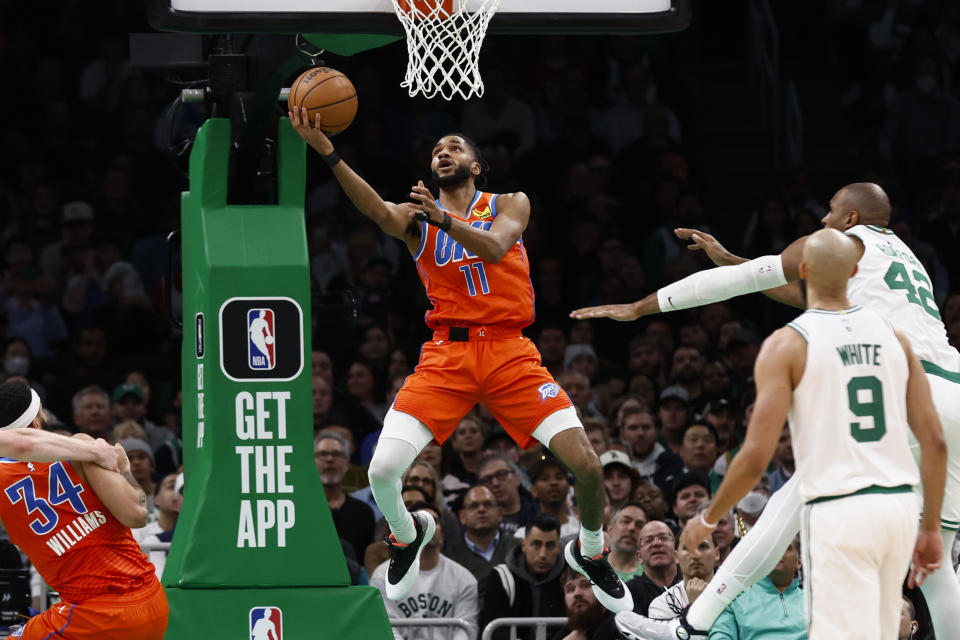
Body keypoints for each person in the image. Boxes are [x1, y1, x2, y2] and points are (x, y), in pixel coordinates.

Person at [573, 183, 960, 638]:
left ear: (851, 220)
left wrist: (641, 307)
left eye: (831, 211)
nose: (822, 221)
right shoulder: (904, 258)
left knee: (790, 504)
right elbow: (805, 290)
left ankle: (693, 625)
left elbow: (748, 282)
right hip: (950, 393)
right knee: (936, 563)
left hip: (897, 390)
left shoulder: (840, 243)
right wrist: (739, 262)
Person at [292, 112, 631, 612]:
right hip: (447, 354)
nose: (443, 153)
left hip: (509, 351)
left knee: (588, 467)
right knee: (382, 472)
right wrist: (326, 149)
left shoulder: (509, 203)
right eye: (436, 151)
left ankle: (591, 549)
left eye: (454, 147)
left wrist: (443, 218)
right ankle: (408, 535)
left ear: (476, 164)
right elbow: (375, 210)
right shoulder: (416, 219)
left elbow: (495, 247)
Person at [0, 379, 168, 638]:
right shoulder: (85, 448)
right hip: (151, 601)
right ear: (35, 422)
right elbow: (137, 514)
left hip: (92, 616)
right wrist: (124, 470)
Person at [371, 503, 478, 640]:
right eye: (420, 521)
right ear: (408, 531)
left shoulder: (464, 579)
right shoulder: (382, 576)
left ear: (442, 537)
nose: (429, 526)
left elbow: (466, 630)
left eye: (434, 521)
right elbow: (386, 629)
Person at [478, 514, 566, 640]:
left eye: (550, 545)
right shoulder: (502, 576)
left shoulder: (568, 578)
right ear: (524, 545)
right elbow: (493, 630)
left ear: (559, 547)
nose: (543, 554)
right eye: (536, 544)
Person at [707, 538, 805, 640]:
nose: (777, 552)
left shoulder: (813, 603)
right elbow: (719, 637)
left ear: (799, 562)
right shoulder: (734, 600)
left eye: (786, 547)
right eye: (771, 548)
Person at [446, 485, 519, 608]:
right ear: (462, 517)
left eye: (488, 504)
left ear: (500, 513)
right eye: (474, 506)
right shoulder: (450, 558)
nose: (481, 509)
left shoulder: (519, 548)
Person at [648, 530, 718, 620]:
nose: (695, 556)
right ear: (676, 557)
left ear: (717, 553)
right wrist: (695, 606)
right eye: (688, 548)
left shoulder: (734, 595)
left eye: (703, 546)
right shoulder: (661, 605)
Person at [626, 520, 680, 616]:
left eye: (663, 538)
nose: (656, 543)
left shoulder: (691, 582)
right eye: (648, 540)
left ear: (676, 551)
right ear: (639, 557)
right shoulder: (629, 592)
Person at [552, 568, 619, 640]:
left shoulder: (615, 628)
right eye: (570, 589)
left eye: (585, 586)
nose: (577, 593)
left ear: (602, 590)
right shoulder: (569, 631)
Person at [605, 503, 647, 582]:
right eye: (626, 521)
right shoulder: (593, 567)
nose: (632, 528)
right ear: (610, 528)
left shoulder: (650, 574)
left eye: (639, 525)